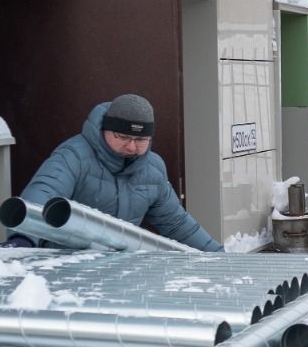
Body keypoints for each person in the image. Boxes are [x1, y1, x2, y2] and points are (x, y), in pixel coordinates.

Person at [15, 94, 222, 251]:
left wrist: (217, 255)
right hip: (65, 266)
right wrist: (22, 239)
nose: (132, 147)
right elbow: (42, 195)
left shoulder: (152, 168)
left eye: (140, 140)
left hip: (118, 270)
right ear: (105, 129)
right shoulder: (74, 156)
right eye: (123, 137)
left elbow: (176, 222)